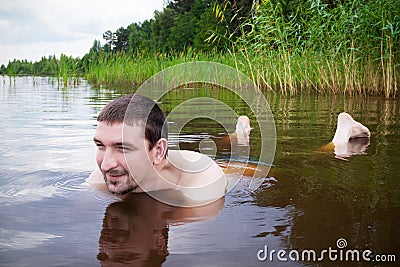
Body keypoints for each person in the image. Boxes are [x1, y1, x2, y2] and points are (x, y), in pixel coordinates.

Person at [88, 94, 227, 206]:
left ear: (158, 151)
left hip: (220, 167)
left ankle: (238, 134)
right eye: (101, 146)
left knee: (224, 144)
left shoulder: (202, 184)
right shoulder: (102, 177)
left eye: (123, 148)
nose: (105, 165)